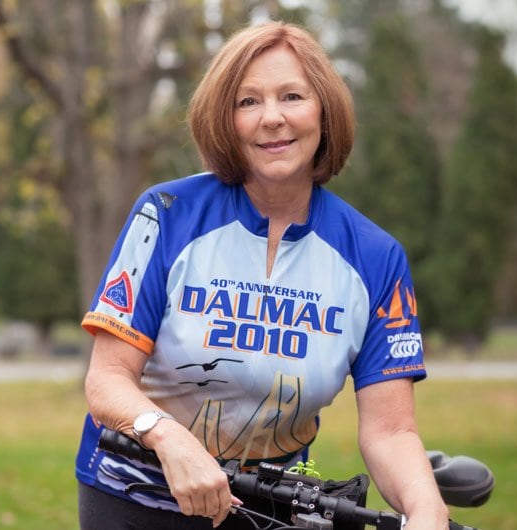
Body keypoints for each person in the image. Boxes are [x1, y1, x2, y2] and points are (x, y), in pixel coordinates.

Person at [74, 21, 449, 530]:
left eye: (292, 96)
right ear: (226, 120)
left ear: (324, 111)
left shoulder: (376, 257)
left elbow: (390, 431)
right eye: (248, 102)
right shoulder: (164, 214)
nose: (272, 118)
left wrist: (426, 509)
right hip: (135, 495)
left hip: (266, 509)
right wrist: (167, 436)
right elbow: (106, 379)